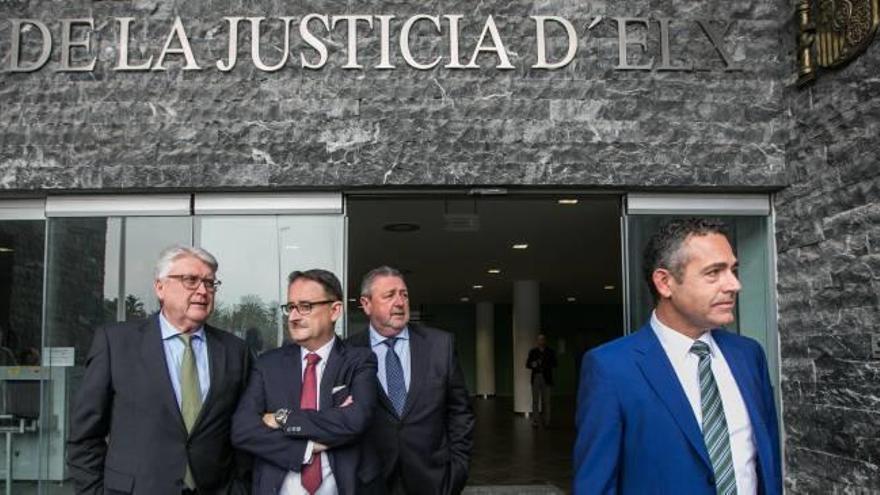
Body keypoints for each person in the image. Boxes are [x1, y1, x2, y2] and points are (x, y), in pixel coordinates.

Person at [573, 218, 782, 495]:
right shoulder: (610, 368)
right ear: (665, 282)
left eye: (733, 270)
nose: (734, 285)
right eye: (714, 273)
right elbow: (595, 486)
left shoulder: (749, 355)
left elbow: (766, 464)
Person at [67, 246, 251, 495]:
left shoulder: (235, 351)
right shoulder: (116, 343)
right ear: (160, 287)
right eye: (191, 280)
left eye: (210, 283)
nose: (202, 290)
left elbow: (245, 429)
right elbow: (85, 436)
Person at [232, 269, 378, 495]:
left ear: (335, 310)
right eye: (290, 307)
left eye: (305, 306)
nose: (293, 316)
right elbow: (243, 430)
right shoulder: (268, 364)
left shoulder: (359, 360)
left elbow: (356, 419)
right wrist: (306, 448)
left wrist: (282, 418)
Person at [347, 266, 474, 495]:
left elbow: (460, 412)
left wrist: (457, 470)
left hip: (433, 480)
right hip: (370, 482)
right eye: (389, 295)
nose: (400, 302)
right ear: (366, 304)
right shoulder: (348, 352)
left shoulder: (440, 345)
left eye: (404, 294)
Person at [525, 334, 557, 428]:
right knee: (535, 401)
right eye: (539, 339)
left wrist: (545, 364)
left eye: (542, 339)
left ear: (545, 341)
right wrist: (532, 364)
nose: (541, 341)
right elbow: (527, 365)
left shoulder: (550, 351)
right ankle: (535, 421)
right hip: (536, 377)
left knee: (546, 401)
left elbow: (555, 363)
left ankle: (546, 422)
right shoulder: (533, 352)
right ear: (537, 341)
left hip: (546, 377)